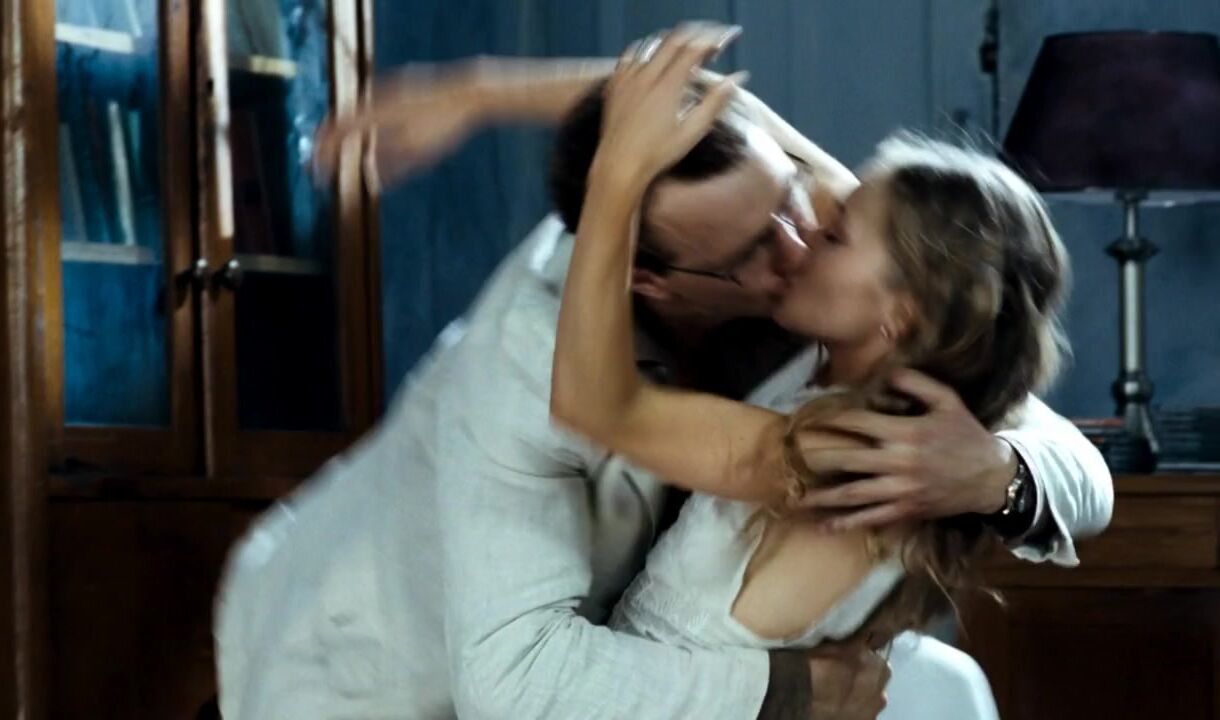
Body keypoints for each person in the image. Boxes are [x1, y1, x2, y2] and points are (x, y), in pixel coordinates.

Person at [217, 25, 1112, 720]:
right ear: (648, 278)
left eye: (804, 204)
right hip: (359, 657)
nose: (801, 241)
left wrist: (997, 476)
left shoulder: (818, 254)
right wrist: (788, 693)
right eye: (756, 249)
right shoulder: (528, 362)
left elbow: (714, 109)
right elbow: (518, 681)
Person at [548, 32, 1072, 719]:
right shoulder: (838, 381)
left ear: (900, 315)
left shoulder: (855, 453)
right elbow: (796, 161)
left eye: (837, 235)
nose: (803, 235)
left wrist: (616, 179)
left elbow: (592, 404)